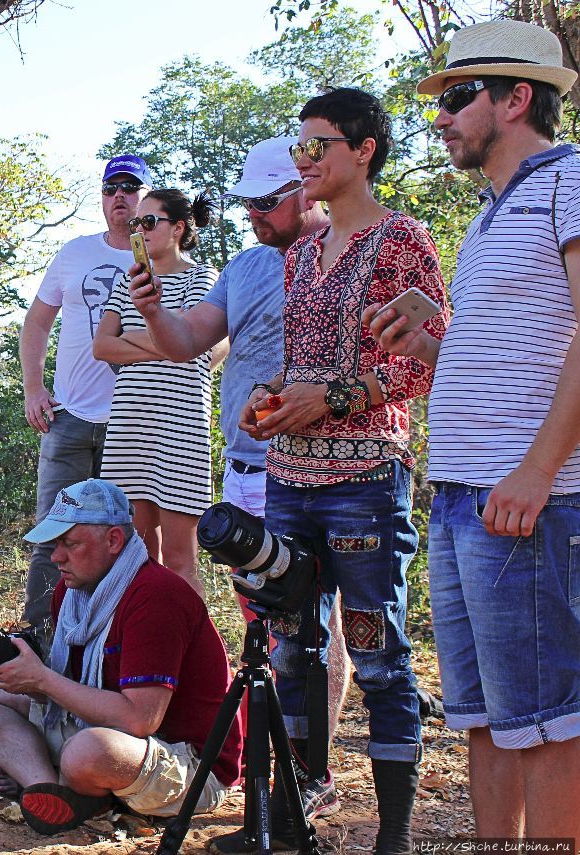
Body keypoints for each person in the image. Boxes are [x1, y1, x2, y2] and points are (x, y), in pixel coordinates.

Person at [367, 19, 580, 842]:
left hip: (526, 497)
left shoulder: (569, 183)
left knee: (550, 722)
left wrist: (536, 470)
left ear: (517, 98)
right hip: (460, 499)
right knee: (484, 719)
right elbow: (522, 350)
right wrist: (430, 338)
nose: (442, 116)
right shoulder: (492, 215)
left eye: (459, 97)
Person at [237, 88, 449, 855]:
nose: (304, 161)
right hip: (288, 478)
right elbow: (303, 365)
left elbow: (434, 363)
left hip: (365, 477)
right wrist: (271, 401)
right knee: (290, 646)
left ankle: (392, 837)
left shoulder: (402, 239)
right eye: (300, 148)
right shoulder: (297, 254)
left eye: (317, 146)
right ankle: (293, 818)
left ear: (363, 150)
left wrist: (329, 400)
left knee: (378, 652)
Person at [131, 138, 350, 824]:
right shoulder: (249, 265)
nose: (254, 215)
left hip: (321, 472)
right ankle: (280, 768)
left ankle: (309, 770)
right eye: (247, 203)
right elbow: (189, 338)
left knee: (315, 625)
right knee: (266, 622)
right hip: (247, 474)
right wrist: (151, 310)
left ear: (305, 189)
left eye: (266, 202)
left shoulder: (344, 255)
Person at [0, 479, 242, 836]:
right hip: (111, 731)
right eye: (55, 544)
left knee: (86, 752)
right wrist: (27, 680)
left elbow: (140, 719)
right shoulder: (72, 589)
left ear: (113, 540)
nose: (56, 557)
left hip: (189, 761)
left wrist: (42, 680)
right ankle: (48, 791)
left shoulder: (156, 596)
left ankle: (70, 784)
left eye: (70, 543)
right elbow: (78, 686)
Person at [19, 154, 150, 633]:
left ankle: (115, 639)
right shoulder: (73, 253)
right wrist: (35, 388)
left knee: (128, 538)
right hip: (69, 417)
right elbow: (36, 322)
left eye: (130, 188)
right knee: (52, 534)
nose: (120, 196)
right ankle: (41, 639)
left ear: (145, 197)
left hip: (133, 422)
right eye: (111, 188)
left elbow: (204, 336)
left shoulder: (159, 256)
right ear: (101, 197)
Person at [93, 189, 217, 595]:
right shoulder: (130, 280)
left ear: (178, 228)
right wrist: (166, 339)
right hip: (130, 429)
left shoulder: (204, 279)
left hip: (180, 430)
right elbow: (102, 346)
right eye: (136, 224)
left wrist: (145, 337)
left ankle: (197, 655)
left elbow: (191, 345)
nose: (139, 230)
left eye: (150, 222)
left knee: (181, 565)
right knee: (137, 560)